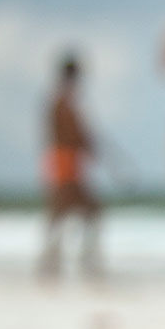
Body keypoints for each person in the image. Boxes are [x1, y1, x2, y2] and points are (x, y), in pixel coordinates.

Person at [38, 51, 102, 281]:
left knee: (70, 213)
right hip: (65, 162)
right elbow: (66, 134)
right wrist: (85, 141)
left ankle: (56, 262)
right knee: (69, 212)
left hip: (67, 161)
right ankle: (60, 262)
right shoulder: (61, 102)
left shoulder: (65, 101)